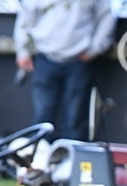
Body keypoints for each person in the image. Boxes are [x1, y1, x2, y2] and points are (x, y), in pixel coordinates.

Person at [14, 0, 115, 142]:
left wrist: (94, 49)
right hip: (44, 58)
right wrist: (23, 51)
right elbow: (25, 21)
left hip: (79, 61)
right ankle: (41, 159)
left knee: (76, 118)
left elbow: (106, 17)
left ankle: (73, 159)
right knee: (43, 115)